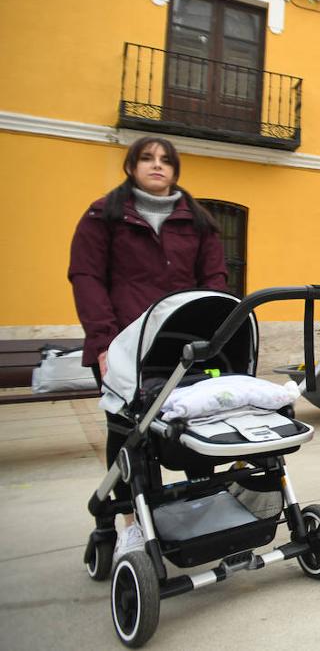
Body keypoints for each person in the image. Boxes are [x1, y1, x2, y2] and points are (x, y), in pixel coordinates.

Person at [68, 136, 227, 559]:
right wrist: (103, 342)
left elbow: (214, 281)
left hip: (180, 345)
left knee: (193, 425)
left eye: (165, 161)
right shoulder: (103, 216)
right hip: (122, 343)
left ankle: (197, 509)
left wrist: (211, 337)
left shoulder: (199, 221)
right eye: (147, 159)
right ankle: (128, 524)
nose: (157, 166)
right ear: (131, 165)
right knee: (126, 435)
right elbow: (87, 279)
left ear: (175, 170)